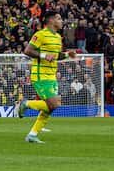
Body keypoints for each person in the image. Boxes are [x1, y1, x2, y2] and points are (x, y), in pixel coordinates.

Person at [17, 10, 77, 144]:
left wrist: (67, 54)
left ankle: (32, 135)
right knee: (53, 104)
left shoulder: (57, 37)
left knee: (51, 107)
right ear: (51, 20)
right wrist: (44, 56)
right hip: (40, 75)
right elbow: (28, 51)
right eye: (59, 19)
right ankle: (26, 104)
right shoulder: (40, 34)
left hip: (51, 75)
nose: (62, 21)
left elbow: (56, 56)